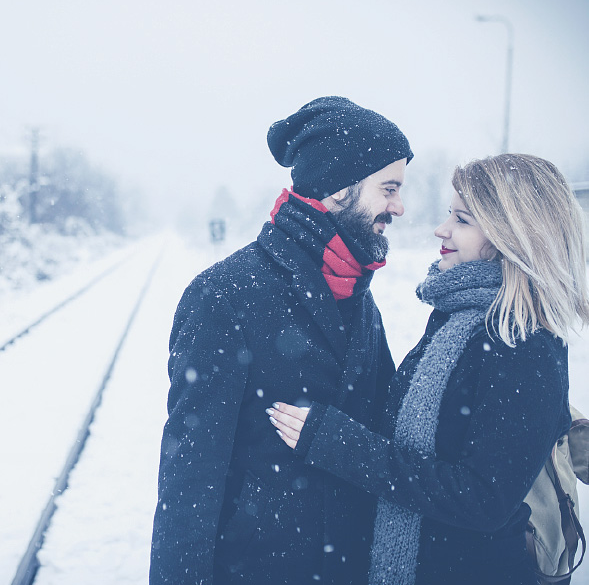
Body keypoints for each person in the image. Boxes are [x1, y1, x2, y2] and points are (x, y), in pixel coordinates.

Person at [269, 153, 589, 584]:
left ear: (511, 236)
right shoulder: (461, 317)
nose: (442, 229)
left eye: (462, 219)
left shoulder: (523, 344)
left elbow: (484, 500)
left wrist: (342, 446)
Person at [150, 96, 414, 584]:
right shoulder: (224, 296)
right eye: (389, 189)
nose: (399, 206)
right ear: (340, 188)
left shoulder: (357, 296)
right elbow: (191, 479)